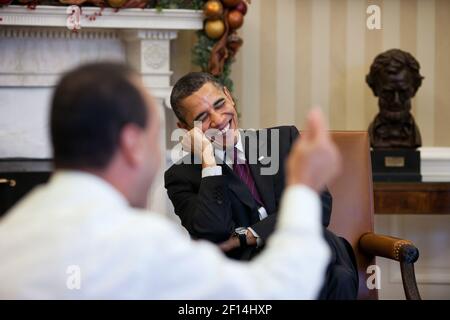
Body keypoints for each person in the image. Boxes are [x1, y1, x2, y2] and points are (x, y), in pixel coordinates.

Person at [0, 62, 338, 299]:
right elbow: (276, 292)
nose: (218, 120)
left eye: (220, 105)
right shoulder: (145, 243)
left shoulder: (8, 235)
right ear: (133, 145)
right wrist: (305, 187)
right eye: (154, 135)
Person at [164, 72, 358, 299]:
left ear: (229, 95)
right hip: (248, 274)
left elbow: (319, 205)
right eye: (203, 117)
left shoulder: (283, 140)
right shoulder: (181, 176)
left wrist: (248, 235)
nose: (218, 120)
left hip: (302, 255)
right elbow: (213, 234)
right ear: (185, 127)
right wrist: (209, 161)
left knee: (336, 270)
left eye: (220, 104)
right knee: (339, 273)